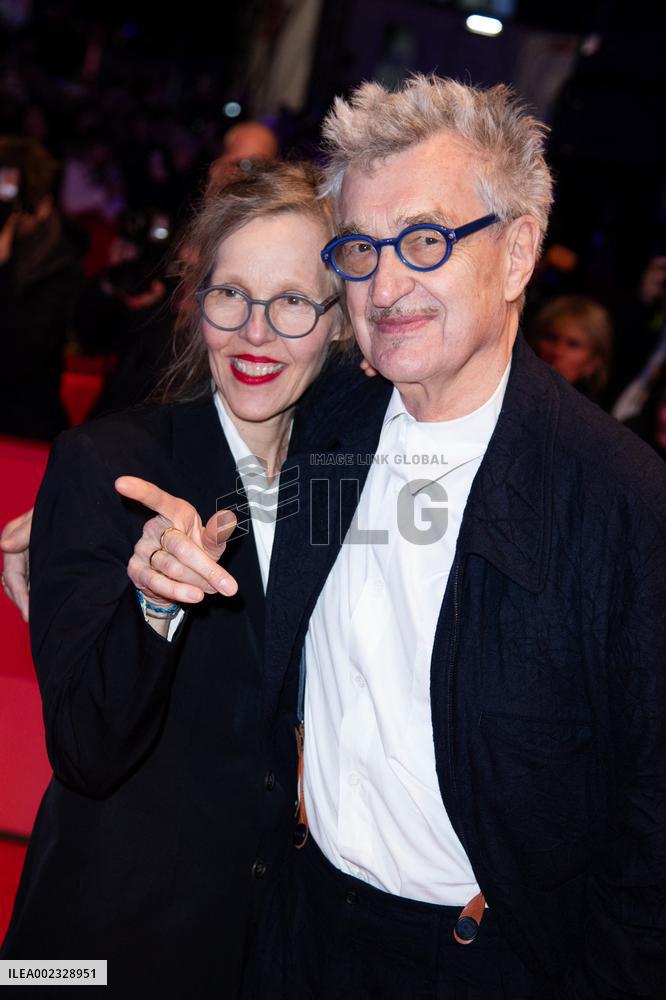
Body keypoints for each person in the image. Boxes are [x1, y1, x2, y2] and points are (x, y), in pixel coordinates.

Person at [4, 77, 666, 999]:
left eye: (427, 241)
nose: (388, 282)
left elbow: (647, 838)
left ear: (518, 254)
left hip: (468, 960)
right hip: (210, 942)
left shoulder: (618, 502)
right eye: (363, 250)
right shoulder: (324, 434)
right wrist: (105, 573)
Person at [0, 159, 349, 998]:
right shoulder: (111, 469)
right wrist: (151, 604)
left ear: (342, 322)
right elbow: (84, 750)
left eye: (294, 301)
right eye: (231, 294)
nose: (255, 332)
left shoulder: (354, 484)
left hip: (267, 951)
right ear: (198, 304)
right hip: (92, 951)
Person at [0, 136, 82, 440]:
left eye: (19, 209)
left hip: (24, 423)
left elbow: (21, 355)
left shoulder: (60, 262)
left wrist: (3, 270)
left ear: (43, 205)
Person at [530, 294, 613, 402]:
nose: (557, 352)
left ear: (593, 361)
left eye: (573, 344)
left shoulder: (590, 416)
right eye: (551, 338)